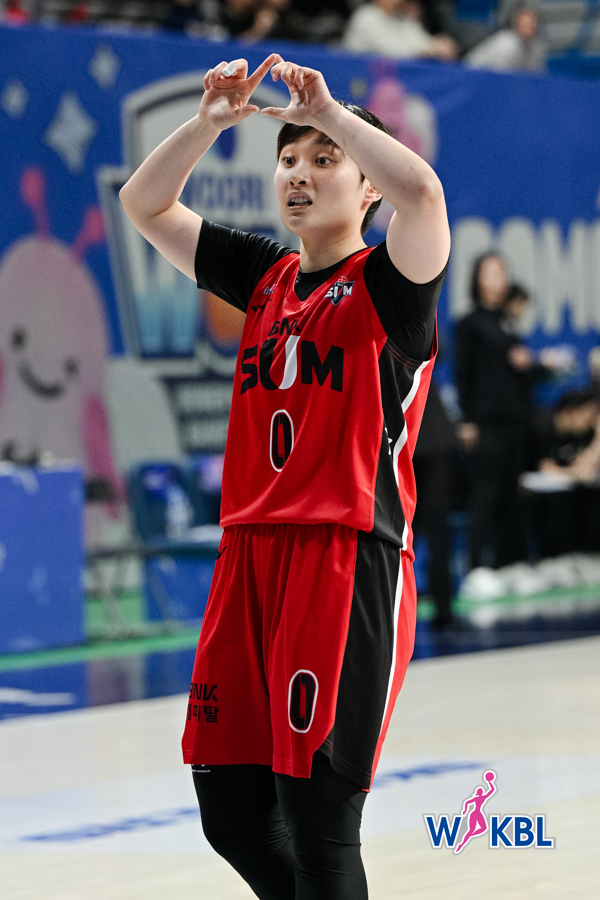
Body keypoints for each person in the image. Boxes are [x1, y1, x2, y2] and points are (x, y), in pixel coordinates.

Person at [120, 52, 450, 899]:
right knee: (230, 811)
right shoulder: (263, 277)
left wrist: (333, 113)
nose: (298, 173)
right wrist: (209, 123)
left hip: (343, 561)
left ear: (366, 186)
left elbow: (423, 197)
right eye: (289, 159)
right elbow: (144, 203)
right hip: (249, 557)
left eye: (324, 160)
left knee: (318, 823)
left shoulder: (392, 285)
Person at [454, 254, 539, 569]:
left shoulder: (509, 322)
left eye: (501, 272)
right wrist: (468, 420)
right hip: (486, 422)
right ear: (477, 279)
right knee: (484, 496)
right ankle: (476, 567)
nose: (497, 279)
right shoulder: (469, 324)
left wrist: (529, 364)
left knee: (511, 494)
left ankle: (510, 565)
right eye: (490, 273)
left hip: (514, 422)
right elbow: (463, 375)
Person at [343, 0, 458, 62]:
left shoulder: (404, 20)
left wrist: (440, 45)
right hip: (362, 79)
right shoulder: (365, 17)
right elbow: (391, 52)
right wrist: (428, 51)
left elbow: (424, 43)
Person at [465, 4, 546, 72]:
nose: (527, 30)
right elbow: (502, 77)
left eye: (531, 25)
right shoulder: (507, 44)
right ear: (516, 25)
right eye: (524, 25)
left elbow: (535, 75)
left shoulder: (536, 48)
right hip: (474, 75)